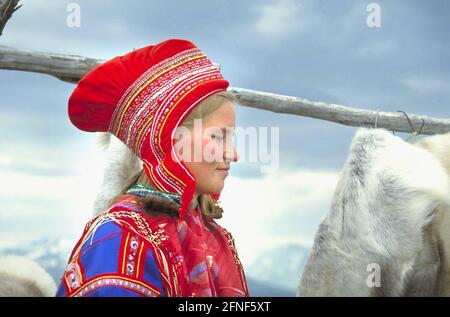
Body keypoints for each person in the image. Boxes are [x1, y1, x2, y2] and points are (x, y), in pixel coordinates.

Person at [56, 39, 249, 297]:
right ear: (171, 140)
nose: (233, 154)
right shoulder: (118, 241)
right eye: (217, 137)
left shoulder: (211, 236)